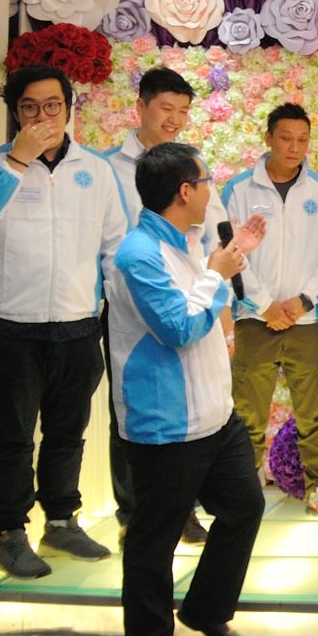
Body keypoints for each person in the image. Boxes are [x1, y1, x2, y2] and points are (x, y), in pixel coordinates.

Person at [0, 64, 128, 578]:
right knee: (13, 434)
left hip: (77, 323)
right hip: (9, 323)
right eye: (29, 107)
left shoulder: (96, 170)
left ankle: (61, 521)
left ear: (69, 109)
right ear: (16, 112)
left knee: (67, 431)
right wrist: (18, 161)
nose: (42, 116)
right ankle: (11, 531)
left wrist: (119, 314)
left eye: (52, 105)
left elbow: (115, 246)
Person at [107, 143, 267, 636]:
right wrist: (216, 275)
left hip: (215, 416)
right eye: (205, 181)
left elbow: (206, 307)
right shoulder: (137, 255)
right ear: (184, 191)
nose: (209, 190)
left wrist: (227, 260)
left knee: (244, 507)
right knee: (156, 537)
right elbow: (178, 328)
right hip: (166, 423)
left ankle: (205, 611)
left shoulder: (189, 242)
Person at [102, 66, 224, 547]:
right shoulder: (110, 169)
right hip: (130, 296)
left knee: (190, 405)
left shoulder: (191, 167)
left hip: (188, 294)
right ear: (141, 107)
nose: (174, 119)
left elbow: (212, 236)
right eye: (165, 108)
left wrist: (222, 300)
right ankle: (134, 512)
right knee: (134, 409)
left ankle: (183, 508)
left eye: (183, 111)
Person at [221, 104, 318, 519]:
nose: (294, 147)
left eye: (302, 140)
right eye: (286, 138)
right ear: (269, 138)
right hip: (255, 319)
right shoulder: (240, 189)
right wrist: (264, 305)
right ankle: (243, 493)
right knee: (248, 413)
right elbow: (230, 251)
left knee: (313, 412)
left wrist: (303, 300)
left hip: (305, 320)